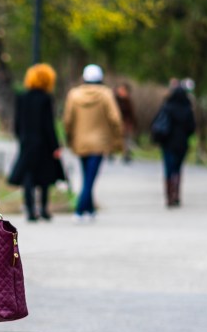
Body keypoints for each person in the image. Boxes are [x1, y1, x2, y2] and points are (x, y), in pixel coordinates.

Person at [63, 64, 123, 222]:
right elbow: (115, 119)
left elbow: (68, 120)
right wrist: (117, 139)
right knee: (90, 177)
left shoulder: (74, 95)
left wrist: (69, 137)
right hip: (100, 142)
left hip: (80, 141)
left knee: (87, 175)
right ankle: (80, 209)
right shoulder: (106, 94)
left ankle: (89, 209)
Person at [8, 63, 65, 221]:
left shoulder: (21, 97)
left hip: (27, 142)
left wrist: (21, 138)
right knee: (45, 177)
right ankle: (44, 209)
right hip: (43, 143)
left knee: (28, 176)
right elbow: (49, 125)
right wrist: (55, 145)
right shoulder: (46, 99)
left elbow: (17, 123)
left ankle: (30, 209)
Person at [151, 82, 196, 207]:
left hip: (168, 143)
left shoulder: (167, 107)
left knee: (168, 169)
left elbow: (157, 123)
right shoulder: (187, 109)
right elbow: (192, 128)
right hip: (182, 144)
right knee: (177, 169)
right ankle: (176, 194)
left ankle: (168, 195)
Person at [113, 82, 136, 164]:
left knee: (126, 139)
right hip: (116, 122)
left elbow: (131, 113)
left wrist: (132, 123)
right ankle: (112, 152)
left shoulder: (127, 100)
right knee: (116, 138)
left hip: (126, 122)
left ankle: (126, 154)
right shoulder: (115, 99)